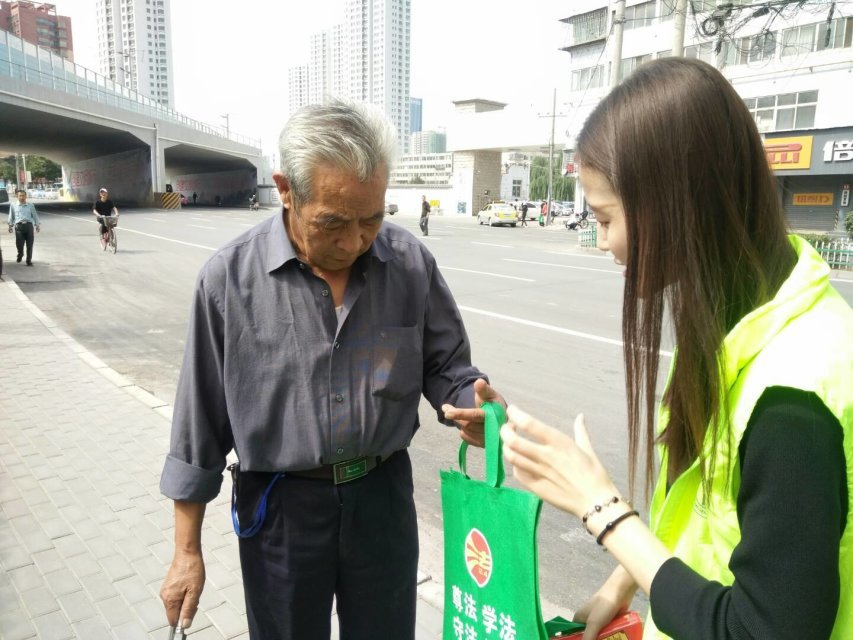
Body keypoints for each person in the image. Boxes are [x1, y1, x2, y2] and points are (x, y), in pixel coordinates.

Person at [499, 58, 852, 640]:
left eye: (605, 217)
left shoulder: (794, 395)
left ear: (674, 203)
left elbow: (764, 629)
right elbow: (706, 519)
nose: (605, 241)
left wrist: (604, 513)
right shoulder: (739, 318)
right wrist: (623, 580)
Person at [159, 99, 502, 640]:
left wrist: (472, 401)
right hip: (280, 510)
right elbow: (198, 427)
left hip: (382, 500)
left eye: (372, 219)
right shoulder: (228, 281)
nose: (354, 241)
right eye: (333, 223)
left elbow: (447, 365)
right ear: (287, 190)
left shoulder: (409, 263)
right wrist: (186, 552)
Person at [7, 189, 41, 266]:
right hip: (19, 227)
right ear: (17, 196)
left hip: (29, 226)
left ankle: (28, 261)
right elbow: (11, 216)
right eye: (20, 196)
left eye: (23, 195)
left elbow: (35, 215)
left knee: (30, 245)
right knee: (19, 244)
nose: (22, 197)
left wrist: (37, 225)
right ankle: (20, 254)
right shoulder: (13, 205)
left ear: (26, 196)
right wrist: (10, 226)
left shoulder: (30, 205)